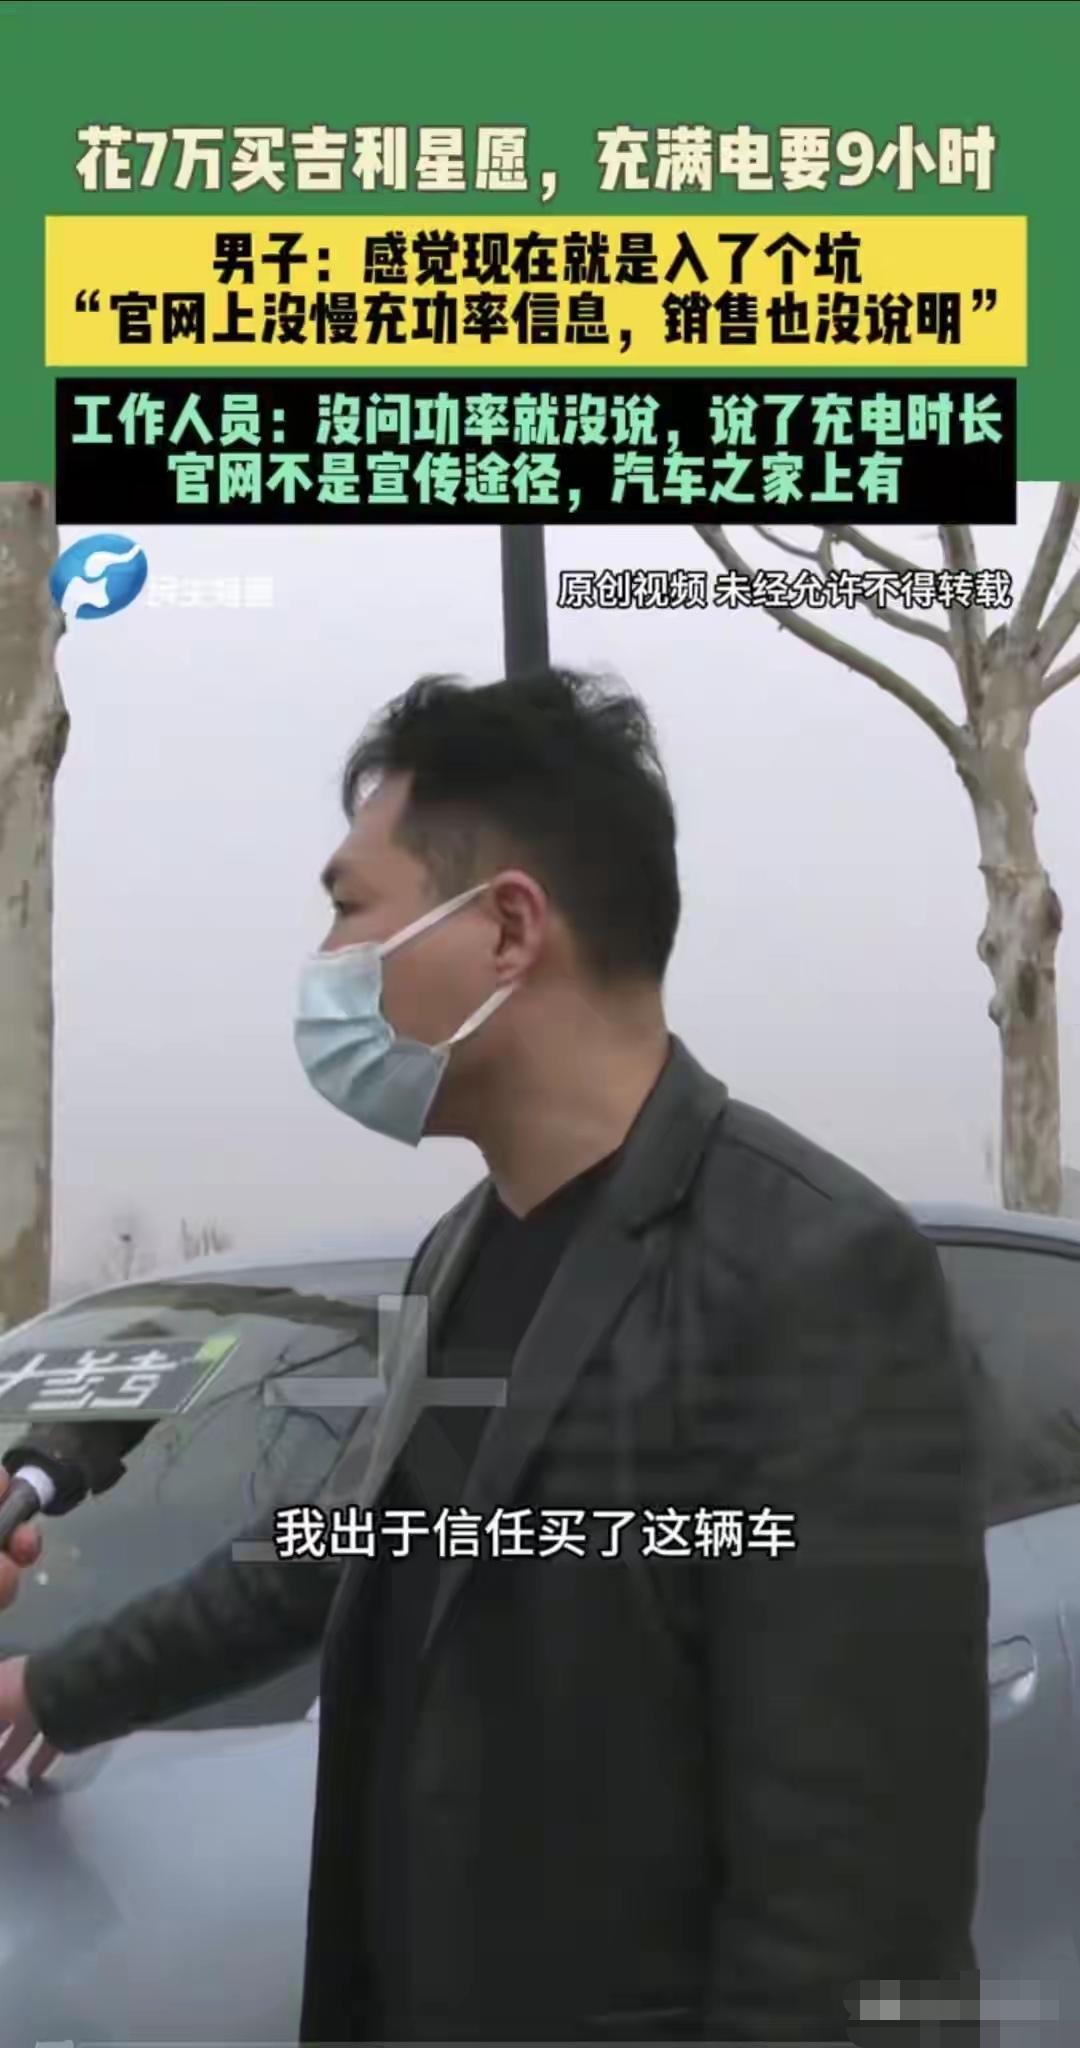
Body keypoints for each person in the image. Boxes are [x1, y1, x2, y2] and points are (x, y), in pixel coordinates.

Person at [0, 669, 989, 2045]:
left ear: (509, 928)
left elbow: (855, 1912)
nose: (326, 960)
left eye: (350, 906)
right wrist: (52, 1689)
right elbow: (349, 1549)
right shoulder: (459, 1255)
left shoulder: (814, 1272)